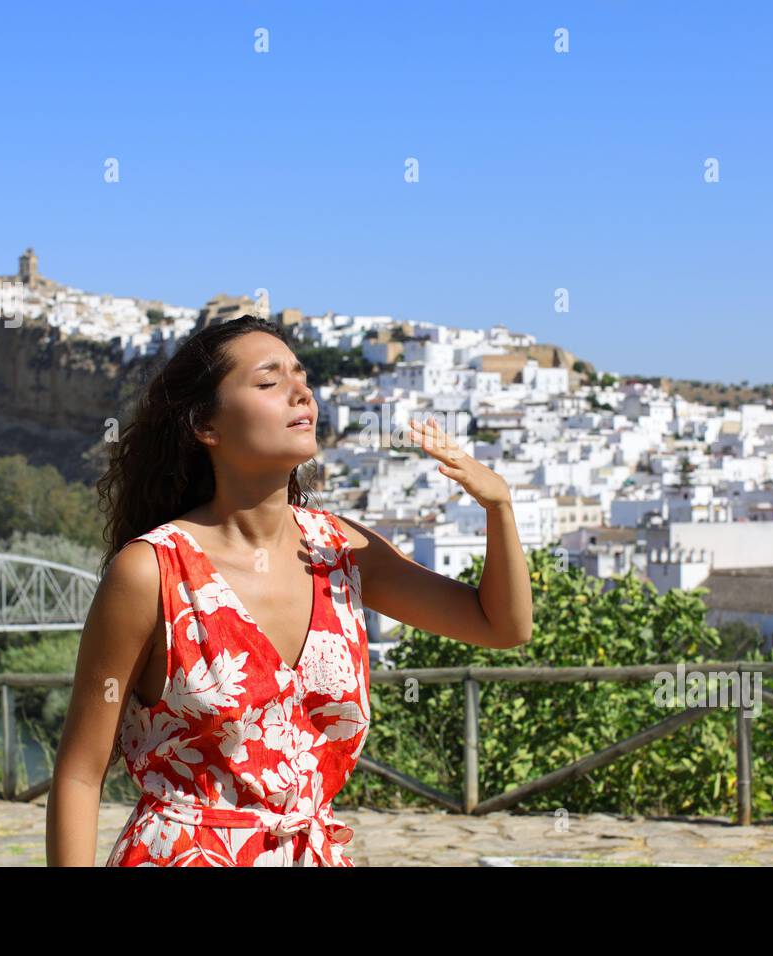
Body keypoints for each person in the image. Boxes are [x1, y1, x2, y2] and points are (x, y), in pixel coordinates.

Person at [46, 314, 532, 866]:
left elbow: (502, 626)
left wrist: (499, 507)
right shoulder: (152, 571)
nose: (302, 391)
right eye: (269, 381)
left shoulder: (341, 552)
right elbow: (80, 775)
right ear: (206, 426)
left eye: (301, 376)